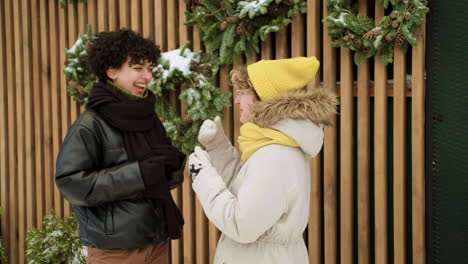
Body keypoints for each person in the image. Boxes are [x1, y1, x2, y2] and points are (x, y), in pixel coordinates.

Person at [188, 57, 337, 263]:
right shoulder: (273, 144)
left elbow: (242, 225)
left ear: (264, 99)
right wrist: (218, 147)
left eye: (243, 93)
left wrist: (202, 176)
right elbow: (248, 194)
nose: (237, 100)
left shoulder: (275, 155)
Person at [55, 29, 186, 264]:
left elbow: (158, 178)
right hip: (114, 250)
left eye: (149, 69)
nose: (147, 76)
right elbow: (70, 183)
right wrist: (139, 173)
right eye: (137, 68)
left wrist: (172, 167)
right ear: (111, 71)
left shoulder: (147, 116)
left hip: (157, 241)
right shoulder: (91, 124)